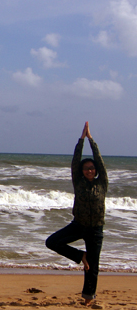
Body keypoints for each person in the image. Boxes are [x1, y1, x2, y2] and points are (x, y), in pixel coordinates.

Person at [46, 122, 107, 306]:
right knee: (52, 241)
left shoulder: (102, 182)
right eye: (87, 168)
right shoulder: (78, 182)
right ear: (81, 171)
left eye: (92, 168)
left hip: (96, 229)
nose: (90, 170)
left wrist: (92, 141)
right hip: (78, 225)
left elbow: (100, 161)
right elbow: (75, 160)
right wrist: (81, 139)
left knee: (93, 267)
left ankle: (89, 297)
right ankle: (80, 256)